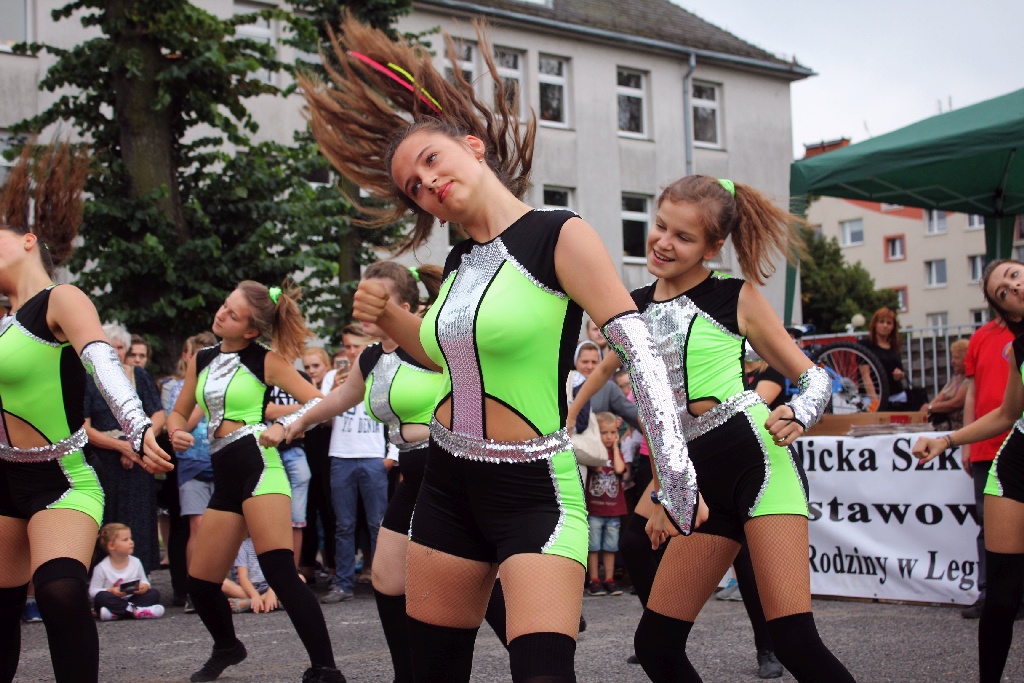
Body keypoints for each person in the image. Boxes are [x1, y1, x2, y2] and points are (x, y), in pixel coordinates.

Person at [302, 15, 701, 682]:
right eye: (412, 186)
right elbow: (442, 358)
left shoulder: (557, 234)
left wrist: (676, 476)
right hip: (449, 486)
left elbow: (639, 345)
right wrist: (390, 317)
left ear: (473, 145)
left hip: (536, 490)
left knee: (543, 672)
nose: (426, 183)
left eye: (431, 160)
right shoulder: (459, 263)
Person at [569, 175, 852, 682]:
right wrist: (663, 492)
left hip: (757, 460)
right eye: (660, 226)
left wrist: (800, 411)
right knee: (656, 646)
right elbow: (657, 416)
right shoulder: (629, 307)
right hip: (699, 478)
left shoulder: (734, 296)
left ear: (713, 247)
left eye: (684, 236)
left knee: (792, 639)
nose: (663, 242)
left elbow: (813, 376)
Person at [0, 140, 172, 683]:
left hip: (63, 477)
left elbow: (101, 358)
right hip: (3, 478)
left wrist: (138, 422)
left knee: (59, 591)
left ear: (28, 241)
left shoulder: (59, 299)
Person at [280, 261, 479, 682]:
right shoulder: (370, 358)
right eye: (363, 297)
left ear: (404, 307)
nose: (364, 308)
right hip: (413, 473)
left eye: (378, 299)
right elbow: (338, 399)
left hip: (448, 468)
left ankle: (536, 627)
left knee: (463, 582)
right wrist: (296, 422)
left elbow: (477, 383)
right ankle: (404, 674)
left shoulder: (430, 343)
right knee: (387, 580)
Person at [166, 281, 344, 683]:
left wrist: (283, 426)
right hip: (224, 473)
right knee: (201, 582)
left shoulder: (266, 360)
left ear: (250, 330)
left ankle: (326, 669)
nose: (221, 314)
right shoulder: (203, 357)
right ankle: (228, 646)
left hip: (259, 466)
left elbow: (318, 401)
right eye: (224, 305)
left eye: (232, 313)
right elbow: (181, 413)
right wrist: (176, 432)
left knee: (280, 571)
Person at [913, 259, 1024, 683]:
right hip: (1016, 467)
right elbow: (1009, 413)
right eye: (1002, 292)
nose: (1011, 287)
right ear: (1008, 313)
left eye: (1014, 275)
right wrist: (946, 440)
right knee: (1001, 598)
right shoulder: (1018, 348)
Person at [315, 323, 395, 604]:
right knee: (343, 525)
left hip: (373, 456)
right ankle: (344, 584)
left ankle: (385, 583)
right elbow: (325, 419)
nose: (349, 351)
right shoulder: (331, 377)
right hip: (341, 455)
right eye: (346, 346)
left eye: (355, 346)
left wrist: (392, 456)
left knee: (378, 523)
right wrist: (333, 393)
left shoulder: (382, 370)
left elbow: (395, 412)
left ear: (367, 345)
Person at [84, 321, 167, 573]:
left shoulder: (139, 375)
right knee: (106, 517)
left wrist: (136, 444)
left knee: (140, 516)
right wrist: (122, 448)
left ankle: (141, 578)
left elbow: (159, 415)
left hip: (138, 457)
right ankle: (103, 581)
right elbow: (85, 428)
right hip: (104, 460)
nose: (117, 351)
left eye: (121, 347)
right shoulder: (89, 379)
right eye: (111, 346)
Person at [959, 317, 1015, 619]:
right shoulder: (980, 337)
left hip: (1015, 441)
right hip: (987, 445)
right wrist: (967, 444)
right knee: (988, 524)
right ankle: (990, 594)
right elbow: (972, 391)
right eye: (999, 290)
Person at [163, 332, 217, 612]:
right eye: (199, 354)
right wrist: (201, 397)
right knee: (196, 527)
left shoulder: (224, 384)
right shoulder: (180, 388)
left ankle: (219, 585)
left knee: (222, 528)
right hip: (193, 464)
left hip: (220, 460)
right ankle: (194, 590)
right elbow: (181, 425)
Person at [299, 346, 337, 587]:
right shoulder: (300, 388)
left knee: (330, 512)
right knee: (306, 512)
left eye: (316, 366)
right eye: (307, 367)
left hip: (330, 455)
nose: (312, 371)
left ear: (327, 365)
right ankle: (307, 566)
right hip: (307, 454)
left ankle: (333, 565)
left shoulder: (335, 388)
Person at [586, 412, 627, 597]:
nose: (609, 437)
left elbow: (619, 469)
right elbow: (596, 466)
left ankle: (609, 579)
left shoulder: (615, 452)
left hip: (613, 509)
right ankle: (594, 579)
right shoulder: (594, 453)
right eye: (604, 432)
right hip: (595, 508)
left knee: (611, 546)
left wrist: (616, 447)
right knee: (593, 546)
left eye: (612, 432)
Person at [89, 523, 165, 620]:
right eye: (125, 540)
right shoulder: (102, 567)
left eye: (130, 538)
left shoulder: (136, 562)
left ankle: (116, 613)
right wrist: (110, 590)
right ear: (112, 546)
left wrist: (144, 586)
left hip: (132, 597)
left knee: (154, 593)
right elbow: (93, 591)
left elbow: (144, 581)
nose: (131, 542)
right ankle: (136, 611)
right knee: (101, 597)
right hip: (113, 599)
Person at [861, 307, 908, 410]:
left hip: (896, 396)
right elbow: (865, 375)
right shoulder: (865, 345)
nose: (885, 325)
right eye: (881, 322)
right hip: (874, 397)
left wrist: (899, 374)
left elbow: (901, 372)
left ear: (893, 327)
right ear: (875, 324)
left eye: (889, 323)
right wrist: (875, 402)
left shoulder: (894, 346)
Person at [220, 536, 279, 614]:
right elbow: (243, 577)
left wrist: (272, 592)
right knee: (223, 583)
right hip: (247, 589)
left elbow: (279, 573)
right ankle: (271, 602)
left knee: (299, 577)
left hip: (270, 587)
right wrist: (254, 596)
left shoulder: (275, 546)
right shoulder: (243, 547)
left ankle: (248, 604)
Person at [921, 338, 969, 430]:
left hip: (960, 426)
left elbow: (956, 403)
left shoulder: (970, 379)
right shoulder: (955, 378)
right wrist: (926, 409)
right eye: (952, 357)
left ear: (966, 359)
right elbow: (941, 396)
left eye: (956, 358)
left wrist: (931, 407)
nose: (952, 361)